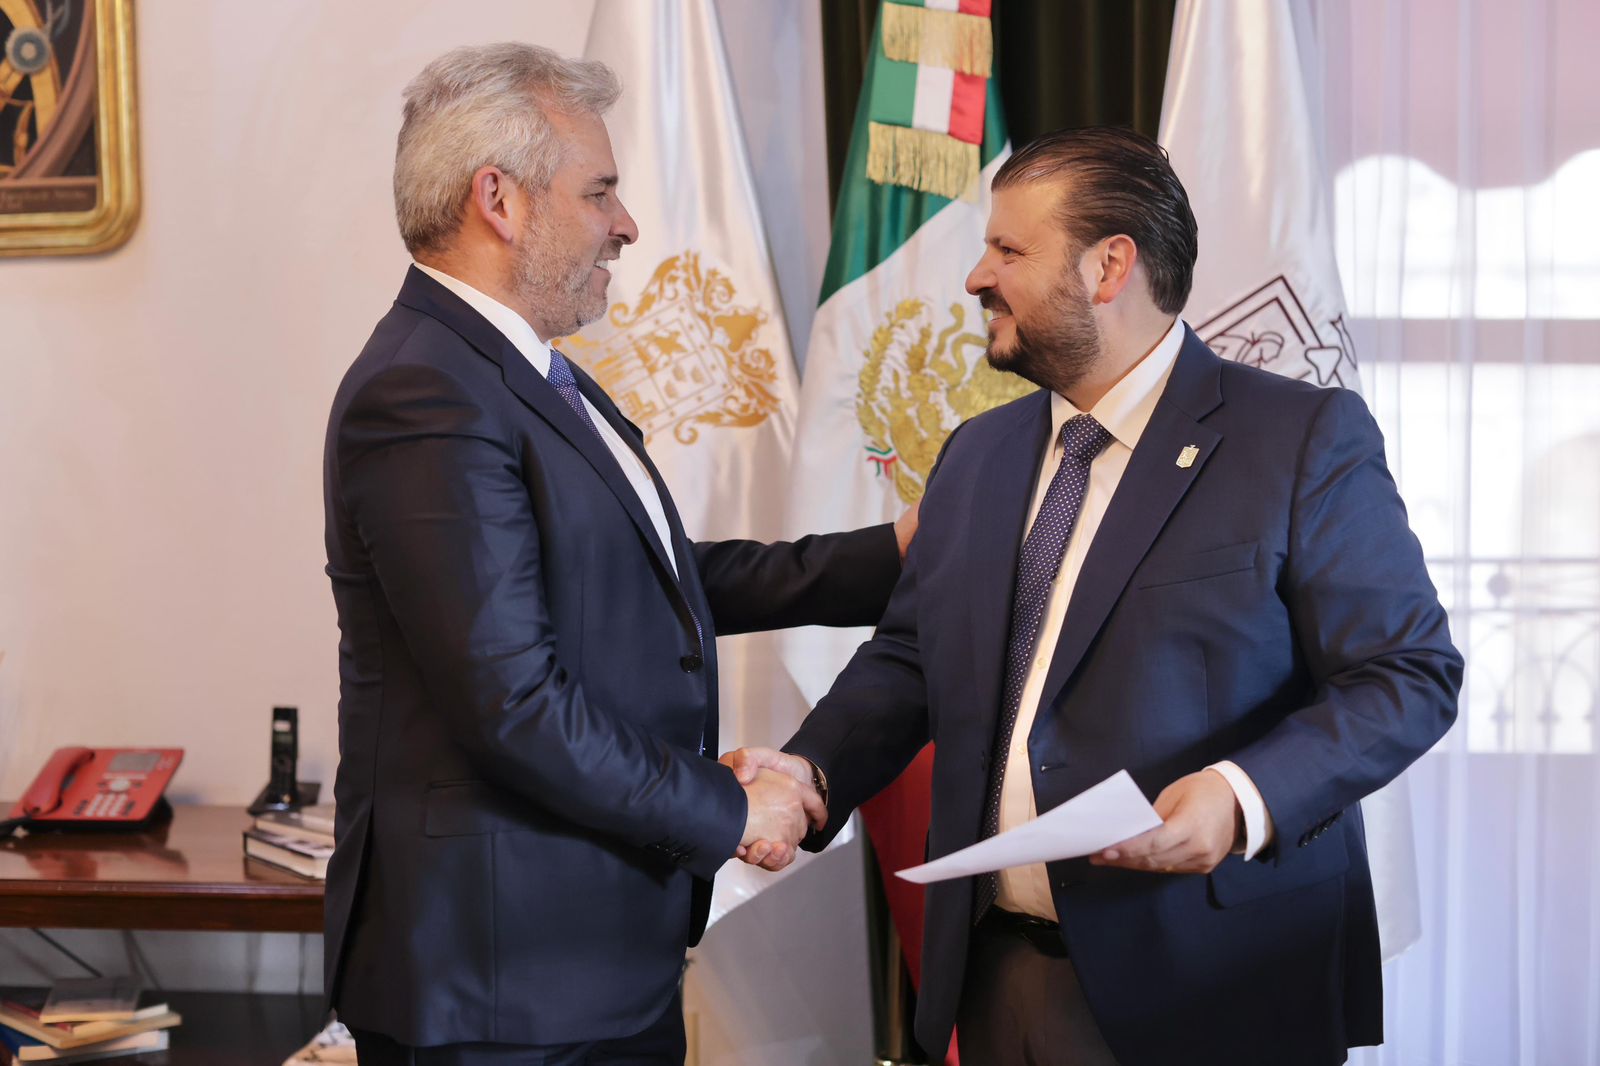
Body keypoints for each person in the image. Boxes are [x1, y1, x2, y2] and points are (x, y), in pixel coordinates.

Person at [728, 127, 1462, 1066]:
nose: (977, 278)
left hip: (1214, 982)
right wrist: (812, 773)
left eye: (1009, 250)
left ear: (1109, 266)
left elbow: (1407, 674)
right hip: (995, 975)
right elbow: (912, 656)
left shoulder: (1297, 438)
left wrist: (1241, 796)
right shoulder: (979, 453)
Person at [322, 43, 910, 1063]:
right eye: (599, 192)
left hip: (582, 960)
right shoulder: (423, 393)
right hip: (500, 987)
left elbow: (651, 580)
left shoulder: (517, 370)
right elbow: (514, 704)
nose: (626, 223)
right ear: (499, 200)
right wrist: (728, 806)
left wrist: (893, 552)